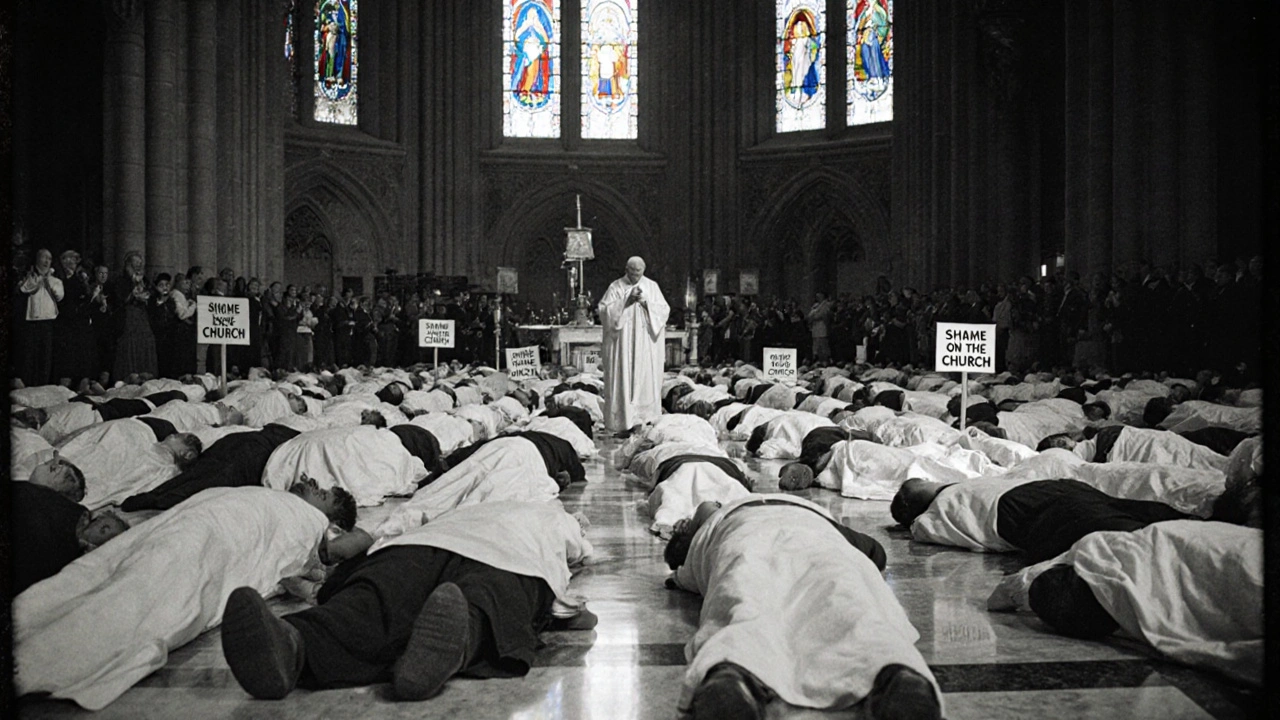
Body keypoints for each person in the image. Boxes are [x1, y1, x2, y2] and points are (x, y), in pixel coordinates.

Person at [13, 482, 358, 710]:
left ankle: (34, 660)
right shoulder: (269, 493)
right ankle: (25, 617)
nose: (313, 486)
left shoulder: (309, 521)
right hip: (185, 520)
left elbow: (294, 559)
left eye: (323, 494)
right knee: (94, 571)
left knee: (141, 593)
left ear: (333, 522)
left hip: (211, 536)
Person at [220, 501, 595, 702]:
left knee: (376, 595)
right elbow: (575, 557)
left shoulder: (463, 505)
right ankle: (455, 644)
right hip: (511, 553)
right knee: (489, 597)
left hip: (426, 541)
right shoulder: (557, 519)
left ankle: (293, 644)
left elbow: (408, 516)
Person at [665, 496, 942, 720]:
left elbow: (687, 574)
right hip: (818, 533)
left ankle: (732, 671)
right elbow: (875, 552)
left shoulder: (710, 528)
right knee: (846, 597)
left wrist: (678, 576)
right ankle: (897, 672)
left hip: (744, 534)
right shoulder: (805, 509)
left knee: (746, 597)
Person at [890, 476, 1192, 564]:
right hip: (1022, 506)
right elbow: (917, 527)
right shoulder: (929, 516)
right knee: (1121, 525)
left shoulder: (958, 487)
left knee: (1122, 511)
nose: (931, 477)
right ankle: (1191, 541)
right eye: (922, 482)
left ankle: (1197, 531)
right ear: (916, 500)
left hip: (1037, 495)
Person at [598, 257, 670, 435]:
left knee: (644, 380)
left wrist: (646, 303)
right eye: (632, 272)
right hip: (622, 345)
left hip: (645, 344)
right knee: (623, 378)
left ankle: (645, 419)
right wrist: (625, 302)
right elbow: (604, 311)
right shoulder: (615, 287)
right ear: (626, 269)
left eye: (639, 272)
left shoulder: (652, 287)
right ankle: (621, 421)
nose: (636, 276)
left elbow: (664, 310)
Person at [18, 248, 65, 386]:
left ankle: (44, 385)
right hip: (31, 322)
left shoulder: (56, 281)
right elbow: (24, 289)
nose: (46, 261)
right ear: (37, 259)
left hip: (48, 322)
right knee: (30, 356)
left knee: (45, 357)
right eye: (44, 257)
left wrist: (48, 280)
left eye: (49, 259)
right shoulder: (29, 277)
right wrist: (37, 278)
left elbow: (60, 296)